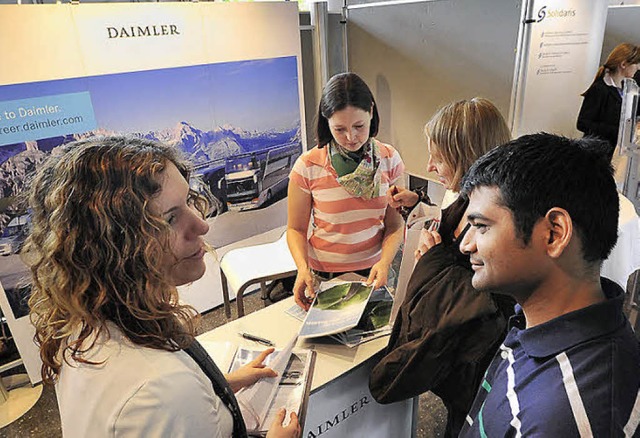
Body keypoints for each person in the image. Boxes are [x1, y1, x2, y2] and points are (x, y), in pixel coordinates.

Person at [25, 136, 300, 438]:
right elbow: (165, 399)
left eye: (187, 203)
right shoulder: (161, 391)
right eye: (169, 218)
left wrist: (220, 383)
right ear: (114, 247)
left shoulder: (86, 321)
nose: (201, 225)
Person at [457, 133, 640, 437]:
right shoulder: (539, 319)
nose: (466, 244)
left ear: (554, 234)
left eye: (481, 227)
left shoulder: (562, 417)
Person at [369, 98, 515, 437]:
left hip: (475, 370)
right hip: (461, 367)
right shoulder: (476, 197)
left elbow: (482, 302)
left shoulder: (500, 221)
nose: (431, 166)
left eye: (439, 157)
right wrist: (421, 203)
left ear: (467, 155)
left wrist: (431, 261)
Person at [287, 72, 405, 310]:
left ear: (371, 112)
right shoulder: (308, 165)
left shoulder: (389, 159)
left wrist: (385, 262)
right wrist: (302, 268)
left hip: (375, 273)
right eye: (339, 129)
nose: (351, 137)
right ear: (326, 121)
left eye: (359, 126)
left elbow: (395, 225)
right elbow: (295, 229)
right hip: (324, 275)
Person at [577, 42, 640, 160]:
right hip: (594, 155)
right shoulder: (599, 89)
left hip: (612, 154)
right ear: (624, 64)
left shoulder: (625, 90)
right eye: (636, 63)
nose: (638, 67)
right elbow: (583, 123)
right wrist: (618, 131)